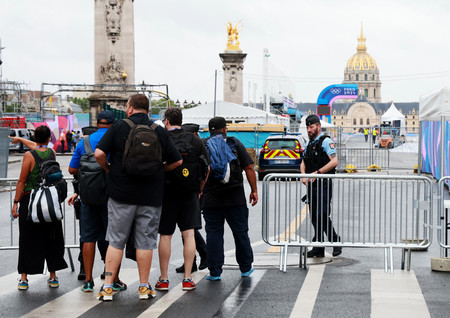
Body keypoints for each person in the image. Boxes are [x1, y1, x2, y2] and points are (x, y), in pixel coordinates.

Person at [94, 94, 182, 301]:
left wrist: (109, 169)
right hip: (150, 196)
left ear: (131, 108)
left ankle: (107, 287)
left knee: (116, 241)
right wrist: (160, 170)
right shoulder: (158, 130)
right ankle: (144, 288)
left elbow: (99, 153)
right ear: (147, 109)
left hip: (120, 194)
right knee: (145, 242)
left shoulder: (118, 127)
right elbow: (177, 162)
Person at [68, 110, 124, 293]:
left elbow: (71, 169)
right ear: (113, 123)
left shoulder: (83, 142)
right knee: (112, 239)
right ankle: (113, 278)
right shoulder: (116, 140)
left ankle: (89, 280)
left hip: (88, 198)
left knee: (88, 238)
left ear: (97, 123)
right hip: (111, 198)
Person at [155, 108, 210, 291]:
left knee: (165, 235)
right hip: (190, 193)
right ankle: (188, 278)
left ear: (167, 121)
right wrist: (200, 189)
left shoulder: (162, 138)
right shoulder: (194, 140)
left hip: (166, 193)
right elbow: (207, 168)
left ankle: (163, 279)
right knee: (189, 234)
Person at [10, 125, 68, 290]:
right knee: (51, 237)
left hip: (30, 200)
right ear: (49, 139)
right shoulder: (52, 153)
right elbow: (39, 148)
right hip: (49, 200)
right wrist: (21, 139)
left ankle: (24, 278)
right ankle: (53, 276)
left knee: (28, 238)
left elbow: (22, 181)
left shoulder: (29, 156)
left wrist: (15, 202)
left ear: (35, 137)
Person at [201, 116, 258, 281]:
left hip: (211, 197)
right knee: (240, 232)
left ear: (210, 130)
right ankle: (246, 268)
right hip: (235, 197)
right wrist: (254, 190)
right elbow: (249, 167)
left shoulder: (204, 145)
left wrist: (200, 191)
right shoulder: (234, 143)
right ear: (224, 129)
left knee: (213, 233)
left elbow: (202, 170)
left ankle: (215, 271)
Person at [300, 115, 341, 258]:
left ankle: (335, 240)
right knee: (314, 217)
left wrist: (318, 173)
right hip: (312, 185)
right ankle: (319, 246)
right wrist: (303, 174)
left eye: (311, 127)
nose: (309, 130)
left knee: (322, 214)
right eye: (307, 128)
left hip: (323, 183)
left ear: (318, 126)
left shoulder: (326, 141)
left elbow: (334, 161)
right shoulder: (309, 143)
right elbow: (303, 161)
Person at [175, 123, 208, 274]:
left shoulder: (196, 144)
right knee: (188, 228)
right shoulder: (198, 144)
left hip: (195, 190)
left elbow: (206, 168)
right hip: (195, 189)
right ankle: (192, 261)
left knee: (189, 228)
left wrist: (201, 189)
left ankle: (202, 254)